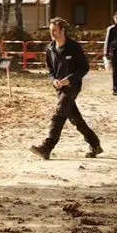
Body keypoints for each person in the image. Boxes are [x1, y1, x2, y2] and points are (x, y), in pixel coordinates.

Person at [32, 17, 103, 160]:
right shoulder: (50, 48)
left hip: (72, 87)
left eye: (55, 31)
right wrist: (54, 80)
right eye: (51, 31)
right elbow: (50, 70)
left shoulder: (74, 47)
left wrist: (69, 79)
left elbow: (84, 68)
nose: (52, 33)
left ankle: (47, 146)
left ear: (63, 30)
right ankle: (95, 144)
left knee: (59, 113)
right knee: (75, 118)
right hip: (59, 89)